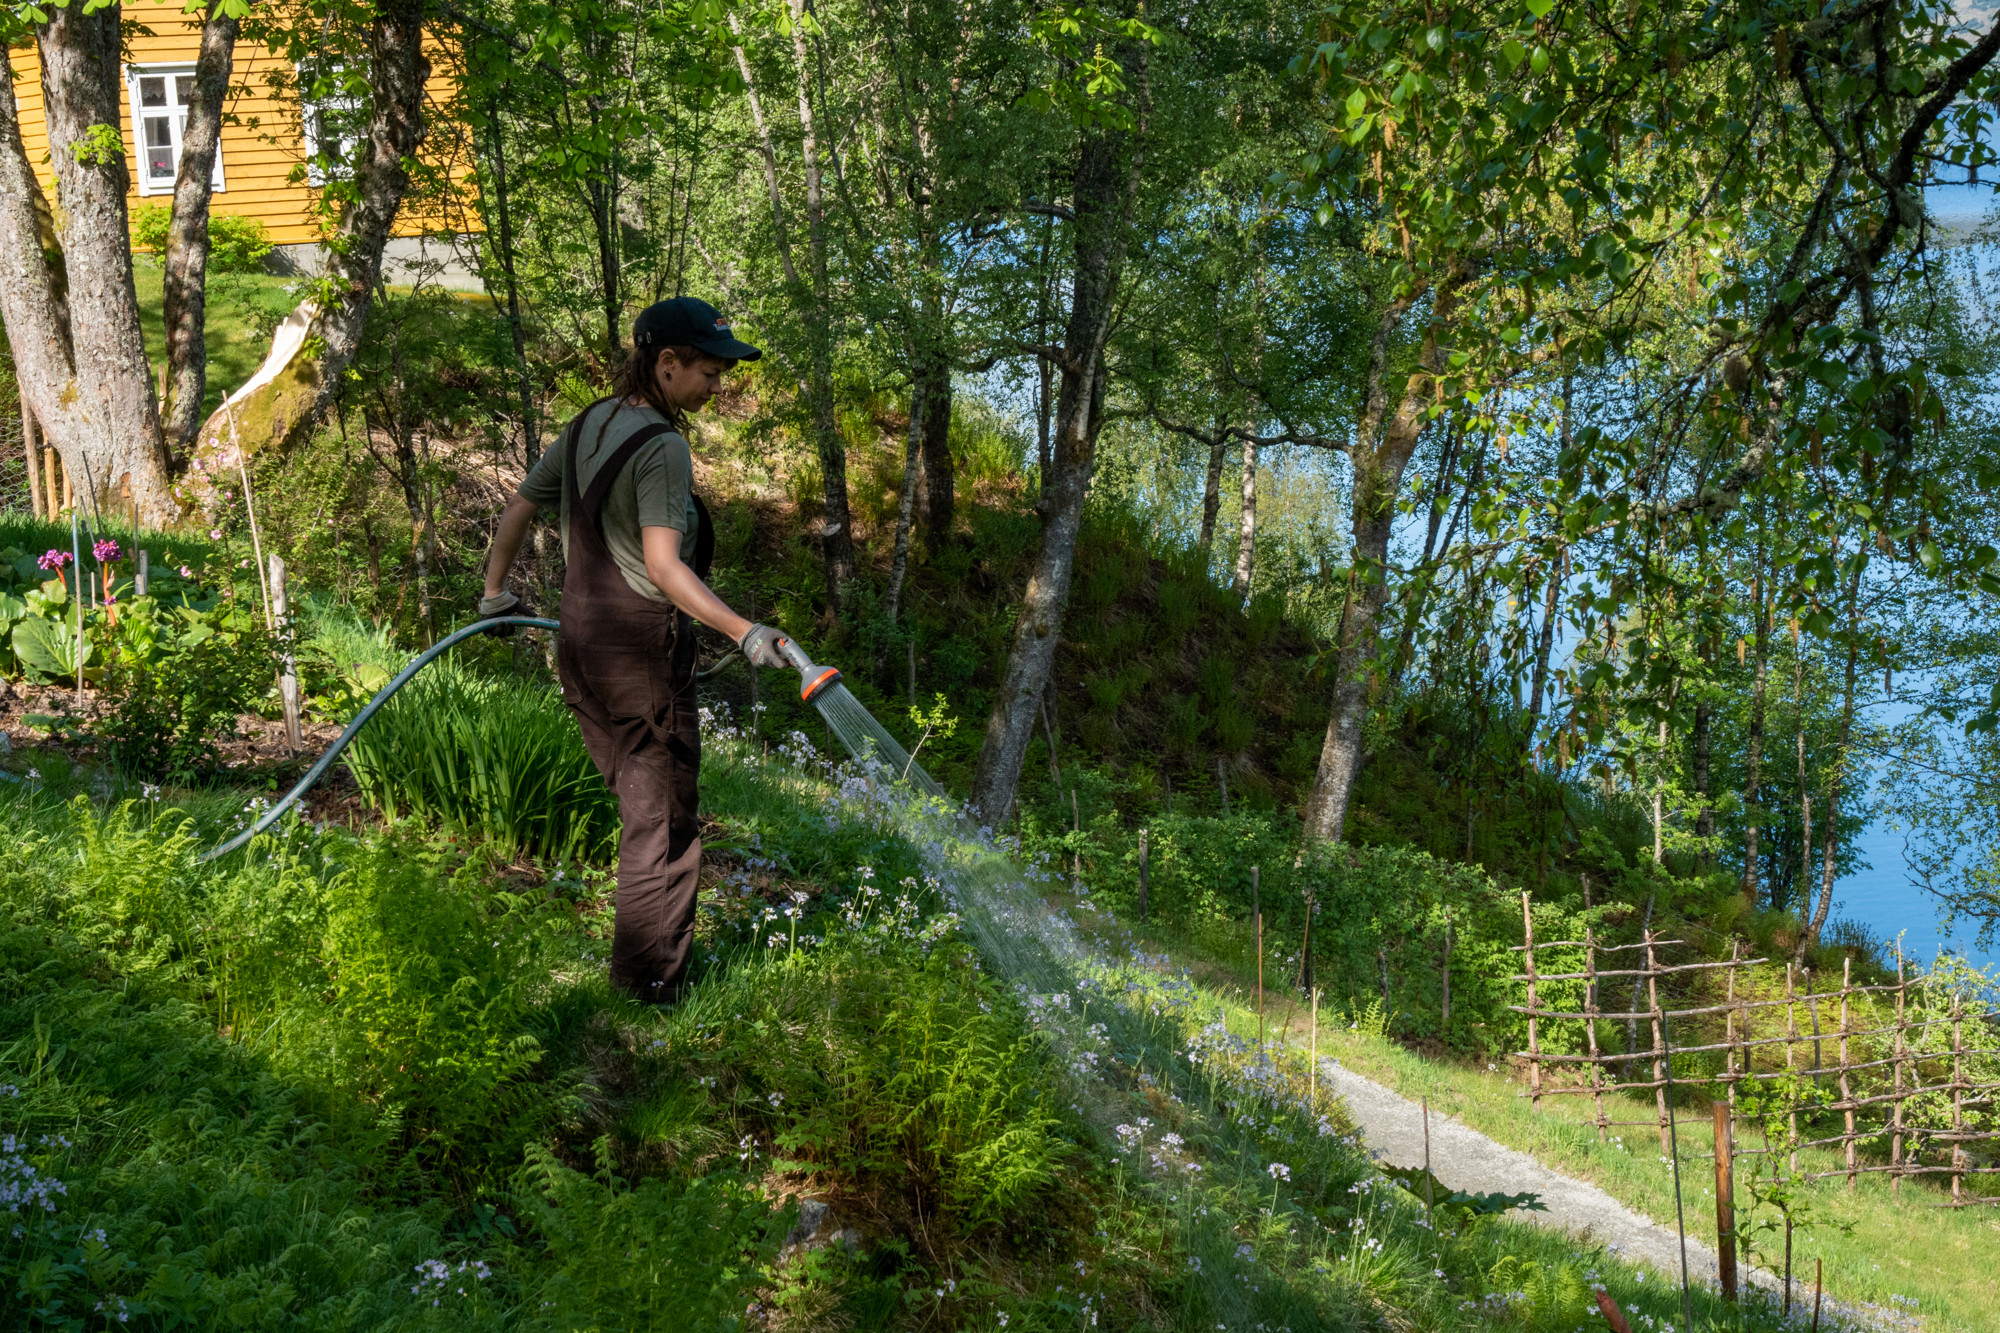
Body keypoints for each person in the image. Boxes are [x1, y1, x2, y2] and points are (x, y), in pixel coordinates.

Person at [479, 297, 791, 1003]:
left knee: (641, 814)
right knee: (664, 827)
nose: (719, 385)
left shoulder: (589, 422)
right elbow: (663, 566)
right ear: (666, 364)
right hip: (641, 659)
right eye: (709, 371)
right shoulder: (663, 447)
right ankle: (645, 996)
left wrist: (494, 593)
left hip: (582, 648)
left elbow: (520, 506)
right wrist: (743, 631)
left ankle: (641, 981)